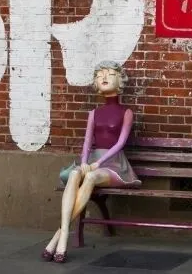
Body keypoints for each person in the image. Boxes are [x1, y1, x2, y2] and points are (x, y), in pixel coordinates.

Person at [42, 62, 141, 263]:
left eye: (110, 74)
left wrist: (97, 163)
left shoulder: (126, 112)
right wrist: (84, 162)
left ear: (119, 80)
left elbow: (120, 143)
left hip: (113, 165)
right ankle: (63, 237)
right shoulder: (94, 113)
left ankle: (58, 238)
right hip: (93, 160)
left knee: (90, 177)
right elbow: (87, 142)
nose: (104, 77)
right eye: (100, 75)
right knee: (75, 173)